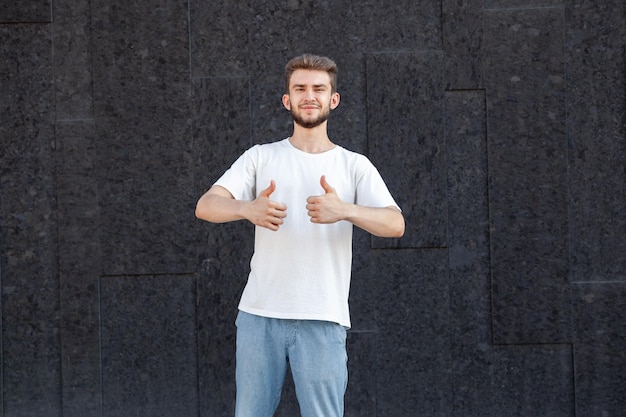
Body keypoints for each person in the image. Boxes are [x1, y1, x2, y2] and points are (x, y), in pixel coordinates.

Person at [195, 53, 404, 417]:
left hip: (323, 318)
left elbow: (395, 223)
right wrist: (246, 209)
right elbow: (207, 205)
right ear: (287, 100)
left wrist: (346, 210)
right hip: (259, 317)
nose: (310, 95)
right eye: (300, 88)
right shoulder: (260, 158)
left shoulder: (354, 165)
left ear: (332, 99)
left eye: (319, 89)